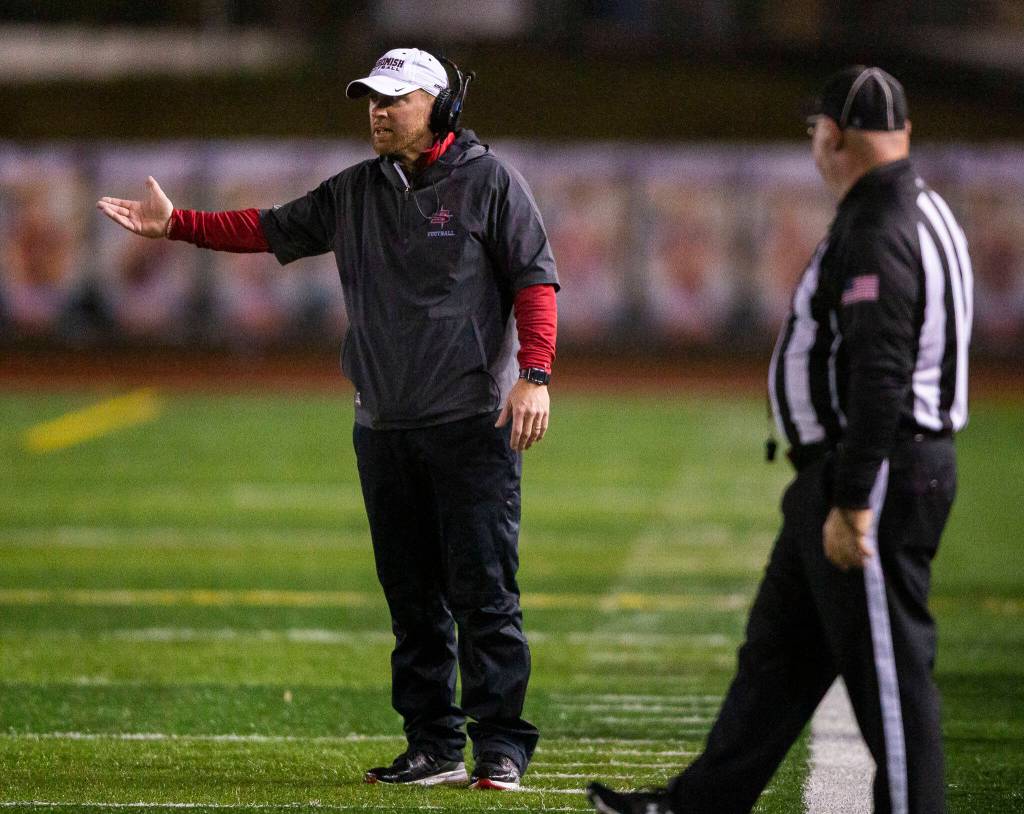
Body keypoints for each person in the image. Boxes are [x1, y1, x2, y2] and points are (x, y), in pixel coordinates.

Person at [97, 47, 559, 791]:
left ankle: (501, 747)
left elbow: (536, 280)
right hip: (381, 424)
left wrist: (534, 376)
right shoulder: (354, 191)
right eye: (371, 99)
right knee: (411, 601)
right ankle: (433, 745)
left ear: (440, 105)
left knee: (484, 594)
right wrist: (178, 224)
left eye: (395, 99)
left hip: (471, 422)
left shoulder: (491, 181)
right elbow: (267, 227)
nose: (377, 111)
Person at [588, 66, 972, 814]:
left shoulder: (878, 224)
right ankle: (696, 806)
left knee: (890, 685)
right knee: (778, 661)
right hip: (852, 470)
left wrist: (854, 498)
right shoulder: (917, 206)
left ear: (832, 137)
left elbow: (882, 370)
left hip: (876, 471)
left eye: (813, 133)